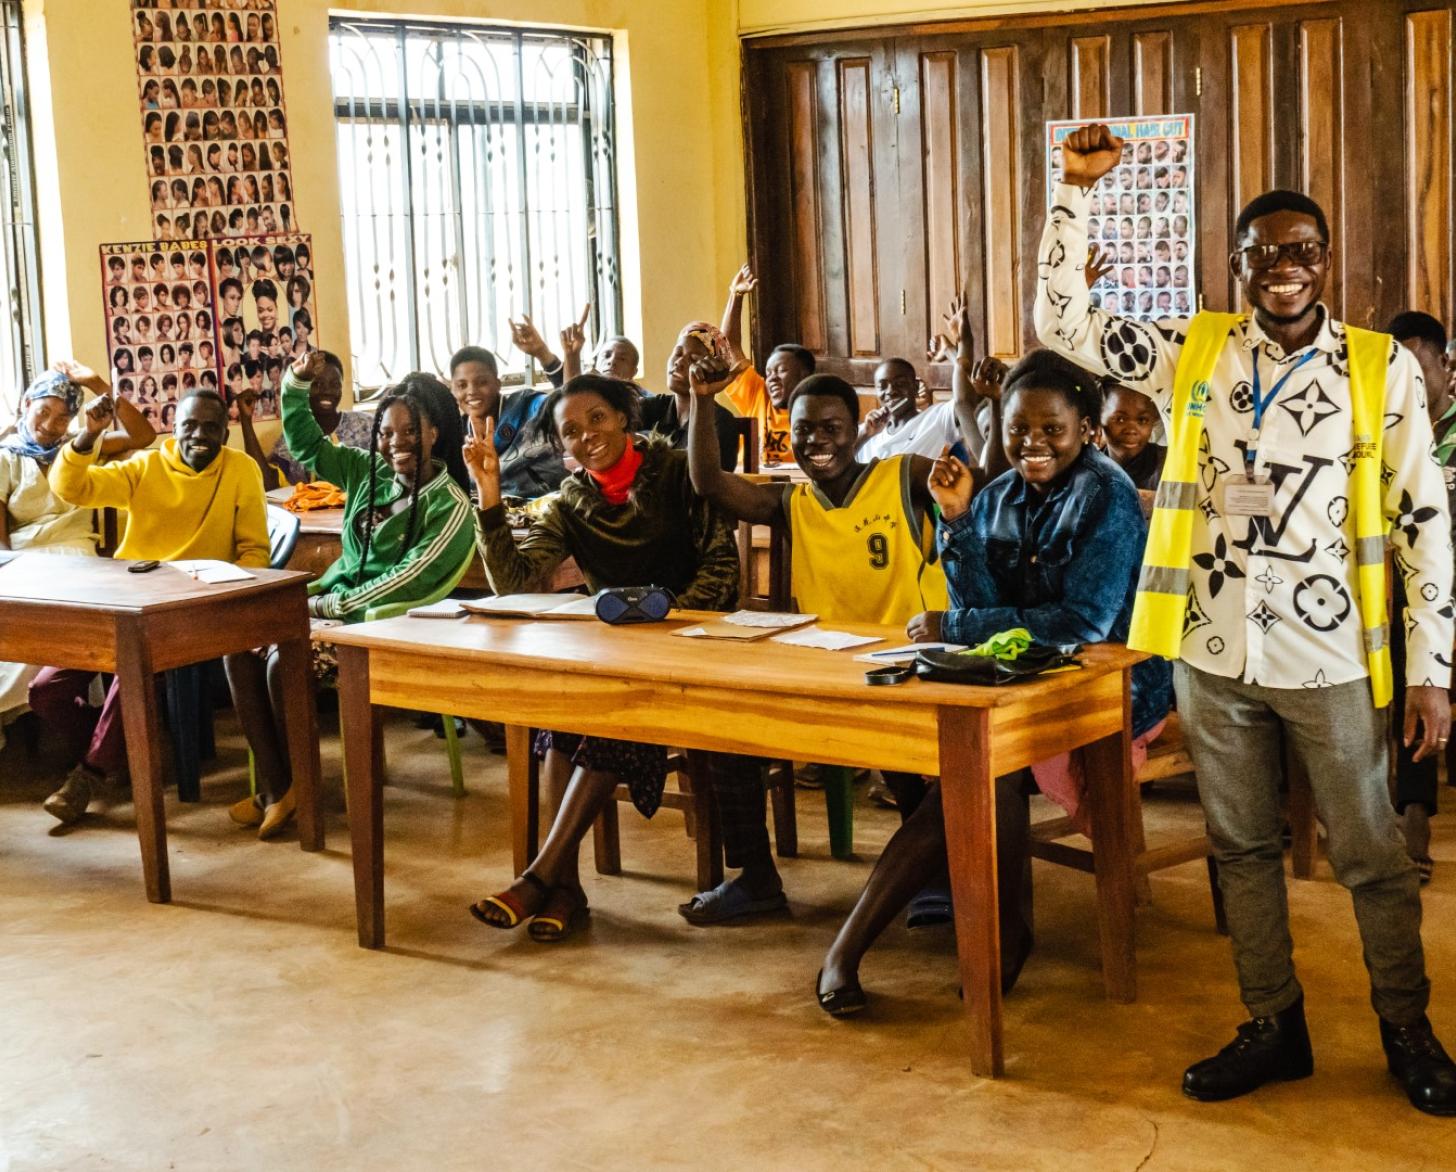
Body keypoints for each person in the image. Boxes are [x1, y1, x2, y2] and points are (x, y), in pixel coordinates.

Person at [1039, 122, 1456, 1115]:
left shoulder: (1379, 367)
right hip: (1212, 642)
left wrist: (1434, 666)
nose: (1283, 269)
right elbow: (1063, 322)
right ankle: (1274, 1021)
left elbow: (1422, 518)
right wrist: (1072, 190)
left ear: (1327, 262)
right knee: (1239, 845)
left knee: (1367, 848)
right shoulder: (1193, 349)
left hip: (1328, 653)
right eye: (1262, 253)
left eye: (1301, 250)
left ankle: (1407, 1023)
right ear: (1237, 266)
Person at [815, 351, 1171, 1014]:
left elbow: (1084, 623)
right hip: (1021, 678)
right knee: (977, 756)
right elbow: (978, 605)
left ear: (1088, 429)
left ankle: (871, 947)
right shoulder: (1002, 494)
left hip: (1115, 682)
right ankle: (958, 937)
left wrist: (960, 621)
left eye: (1052, 431)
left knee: (984, 762)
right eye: (1017, 431)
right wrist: (955, 520)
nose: (1032, 444)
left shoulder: (1107, 494)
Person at [464, 373, 756, 940]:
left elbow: (722, 575)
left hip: (694, 652)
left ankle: (540, 877)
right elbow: (517, 585)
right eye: (569, 431)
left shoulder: (679, 472)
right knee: (561, 724)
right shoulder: (572, 500)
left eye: (596, 418)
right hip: (620, 660)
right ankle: (564, 889)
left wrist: (661, 630)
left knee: (614, 722)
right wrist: (489, 496)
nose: (586, 436)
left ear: (624, 416)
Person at [685, 364, 954, 922]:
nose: (817, 441)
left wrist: (977, 407)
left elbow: (975, 489)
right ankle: (756, 879)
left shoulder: (903, 475)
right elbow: (709, 482)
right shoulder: (791, 503)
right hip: (824, 669)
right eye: (805, 430)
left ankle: (937, 874)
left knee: (914, 762)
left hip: (907, 664)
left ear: (857, 430)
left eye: (832, 428)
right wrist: (700, 398)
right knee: (726, 736)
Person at [224, 352, 474, 839]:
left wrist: (326, 607)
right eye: (385, 432)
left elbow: (407, 579)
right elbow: (305, 442)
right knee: (239, 648)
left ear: (432, 434)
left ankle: (295, 789)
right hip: (330, 612)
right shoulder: (367, 473)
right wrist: (295, 382)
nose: (395, 443)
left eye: (408, 432)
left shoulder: (450, 506)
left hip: (386, 625)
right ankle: (283, 787)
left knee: (283, 661)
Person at [32, 389, 268, 825]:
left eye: (211, 428)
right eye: (189, 426)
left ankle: (89, 775)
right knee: (46, 689)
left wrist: (223, 593)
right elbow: (71, 487)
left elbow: (255, 550)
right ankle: (116, 749)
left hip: (190, 608)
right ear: (173, 429)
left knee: (132, 672)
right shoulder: (147, 466)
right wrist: (88, 435)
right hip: (128, 599)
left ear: (225, 431)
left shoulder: (241, 470)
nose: (199, 436)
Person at [0, 365, 156, 752]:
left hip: (78, 555)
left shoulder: (80, 446)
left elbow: (144, 435)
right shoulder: (6, 458)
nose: (51, 425)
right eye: (43, 412)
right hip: (27, 561)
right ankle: (95, 736)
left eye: (63, 416)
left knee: (70, 624)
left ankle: (90, 731)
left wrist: (97, 385)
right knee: (25, 626)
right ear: (25, 405)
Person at [1385, 310, 1456, 882]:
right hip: (1404, 590)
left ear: (1445, 365)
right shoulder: (1384, 439)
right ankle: (1413, 815)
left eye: (1417, 366)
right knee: (1410, 663)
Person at [717, 264, 812, 466]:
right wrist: (736, 295)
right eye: (769, 373)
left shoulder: (817, 411)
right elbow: (728, 346)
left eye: (781, 371)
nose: (772, 379)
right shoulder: (759, 395)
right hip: (748, 486)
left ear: (804, 375)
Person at [235, 350, 371, 489]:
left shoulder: (366, 426)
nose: (327, 391)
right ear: (303, 388)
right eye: (317, 384)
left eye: (335, 384)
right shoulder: (295, 436)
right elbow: (267, 483)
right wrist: (246, 421)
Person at [447, 345, 566, 498]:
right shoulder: (457, 436)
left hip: (549, 512)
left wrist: (546, 355)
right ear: (452, 390)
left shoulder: (527, 406)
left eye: (482, 382)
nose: (471, 391)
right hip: (489, 515)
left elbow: (566, 403)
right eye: (462, 385)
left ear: (498, 384)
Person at [646, 322, 748, 469]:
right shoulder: (652, 408)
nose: (679, 362)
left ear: (713, 370)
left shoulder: (720, 422)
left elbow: (712, 483)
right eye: (677, 353)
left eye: (693, 359)